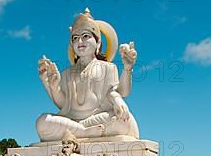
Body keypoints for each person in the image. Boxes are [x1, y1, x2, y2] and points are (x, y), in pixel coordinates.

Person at [36, 8, 139, 141]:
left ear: (98, 43)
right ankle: (83, 132)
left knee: (124, 120)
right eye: (75, 38)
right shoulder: (67, 73)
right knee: (42, 122)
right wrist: (50, 85)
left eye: (86, 36)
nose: (80, 42)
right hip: (72, 120)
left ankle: (76, 132)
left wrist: (127, 68)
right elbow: (64, 105)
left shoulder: (108, 67)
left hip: (97, 119)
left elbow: (121, 92)